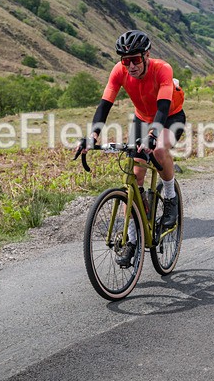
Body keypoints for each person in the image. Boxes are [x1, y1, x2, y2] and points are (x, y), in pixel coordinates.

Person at [77, 30, 186, 267]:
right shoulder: (119, 71)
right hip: (142, 119)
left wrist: (152, 135)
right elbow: (104, 105)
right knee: (134, 180)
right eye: (125, 61)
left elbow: (164, 105)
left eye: (135, 59)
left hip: (169, 116)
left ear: (146, 55)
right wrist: (92, 136)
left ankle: (169, 198)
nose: (131, 66)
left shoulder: (162, 69)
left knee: (157, 150)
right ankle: (133, 242)